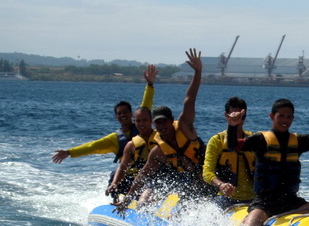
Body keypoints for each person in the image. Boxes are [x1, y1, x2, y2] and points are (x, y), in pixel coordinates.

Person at [227, 98, 309, 226]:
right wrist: (232, 126)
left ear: (293, 118)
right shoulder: (260, 139)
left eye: (289, 116)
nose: (285, 120)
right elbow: (234, 146)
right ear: (272, 116)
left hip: (291, 201)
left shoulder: (299, 141)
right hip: (265, 203)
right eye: (281, 116)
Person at [115, 48, 212, 213]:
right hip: (187, 180)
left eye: (164, 122)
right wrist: (128, 200)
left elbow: (190, 98)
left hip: (209, 176)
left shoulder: (185, 127)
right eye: (157, 123)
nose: (162, 126)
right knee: (173, 196)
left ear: (171, 119)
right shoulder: (158, 151)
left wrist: (198, 72)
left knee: (196, 191)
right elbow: (142, 177)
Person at [52, 64, 157, 165]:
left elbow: (146, 105)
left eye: (125, 112)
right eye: (119, 113)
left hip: (149, 172)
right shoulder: (114, 139)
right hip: (129, 175)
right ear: (116, 117)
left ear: (131, 114)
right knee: (113, 178)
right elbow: (92, 147)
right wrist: (69, 152)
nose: (123, 115)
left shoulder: (142, 126)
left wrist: (150, 85)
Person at [202, 97, 255, 209]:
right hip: (226, 198)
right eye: (233, 116)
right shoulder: (217, 141)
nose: (237, 120)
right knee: (213, 212)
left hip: (254, 198)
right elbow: (207, 172)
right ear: (226, 116)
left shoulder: (254, 139)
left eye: (240, 116)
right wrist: (221, 185)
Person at [105, 106, 156, 202]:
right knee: (117, 181)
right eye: (138, 121)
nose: (141, 124)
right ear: (134, 121)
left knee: (145, 197)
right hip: (139, 179)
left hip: (157, 179)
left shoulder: (160, 139)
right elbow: (123, 167)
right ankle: (118, 205)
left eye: (145, 120)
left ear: (151, 121)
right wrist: (114, 183)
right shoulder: (131, 145)